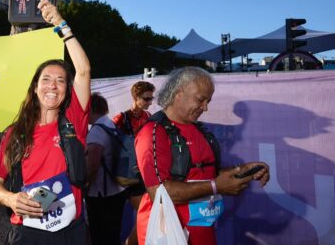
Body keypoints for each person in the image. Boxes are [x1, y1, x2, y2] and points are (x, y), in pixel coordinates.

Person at [0, 0, 91, 245]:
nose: (53, 86)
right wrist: (10, 199)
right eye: (46, 79)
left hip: (71, 232)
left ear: (67, 89)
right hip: (27, 233)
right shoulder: (15, 132)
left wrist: (60, 24)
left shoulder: (74, 123)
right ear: (35, 87)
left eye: (60, 80)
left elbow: (84, 70)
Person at [135, 67, 270, 245]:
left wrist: (244, 171)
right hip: (168, 233)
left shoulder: (199, 129)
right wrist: (216, 187)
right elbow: (160, 193)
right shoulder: (152, 132)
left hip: (203, 231)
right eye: (200, 100)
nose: (205, 108)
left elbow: (206, 174)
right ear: (179, 92)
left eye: (208, 101)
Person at [112, 81, 155, 245]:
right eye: (146, 98)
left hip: (143, 173)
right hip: (125, 175)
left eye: (152, 98)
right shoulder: (121, 118)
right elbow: (109, 144)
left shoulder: (148, 117)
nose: (150, 102)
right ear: (135, 97)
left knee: (148, 214)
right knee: (147, 214)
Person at [86, 93, 127, 245]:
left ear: (91, 109)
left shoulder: (97, 130)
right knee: (113, 234)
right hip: (118, 189)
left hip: (100, 194)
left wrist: (85, 187)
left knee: (99, 236)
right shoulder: (110, 124)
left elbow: (92, 165)